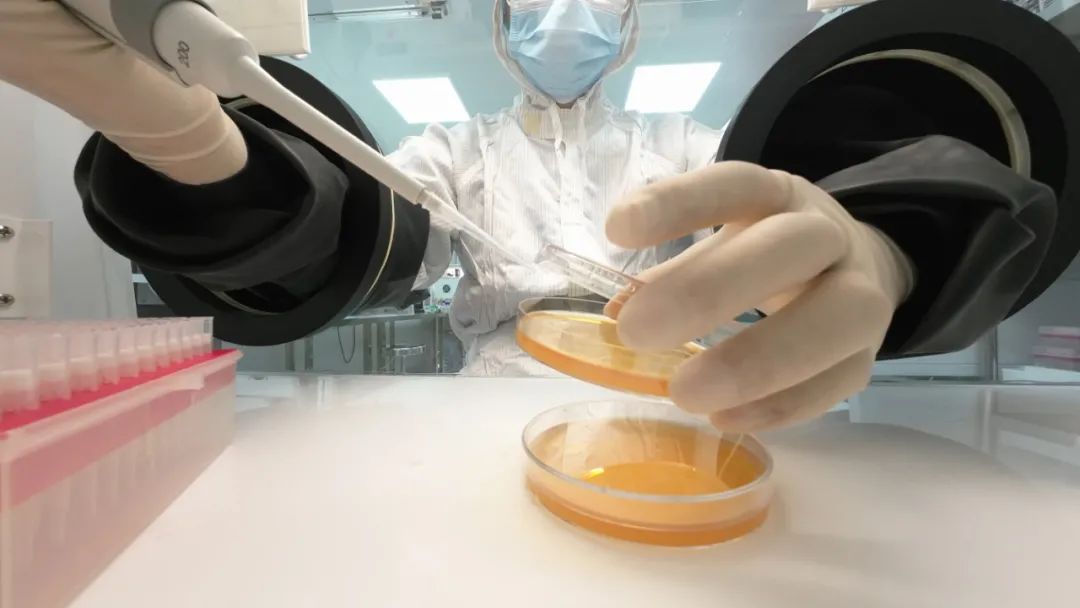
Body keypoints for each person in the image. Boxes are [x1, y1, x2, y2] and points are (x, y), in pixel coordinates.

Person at [0, 0, 1065, 432]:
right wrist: (206, 161)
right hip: (485, 409)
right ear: (502, 26)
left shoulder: (685, 143)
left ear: (631, 24)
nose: (567, 18)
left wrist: (892, 241)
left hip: (677, 398)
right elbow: (360, 231)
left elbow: (794, 195)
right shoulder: (452, 151)